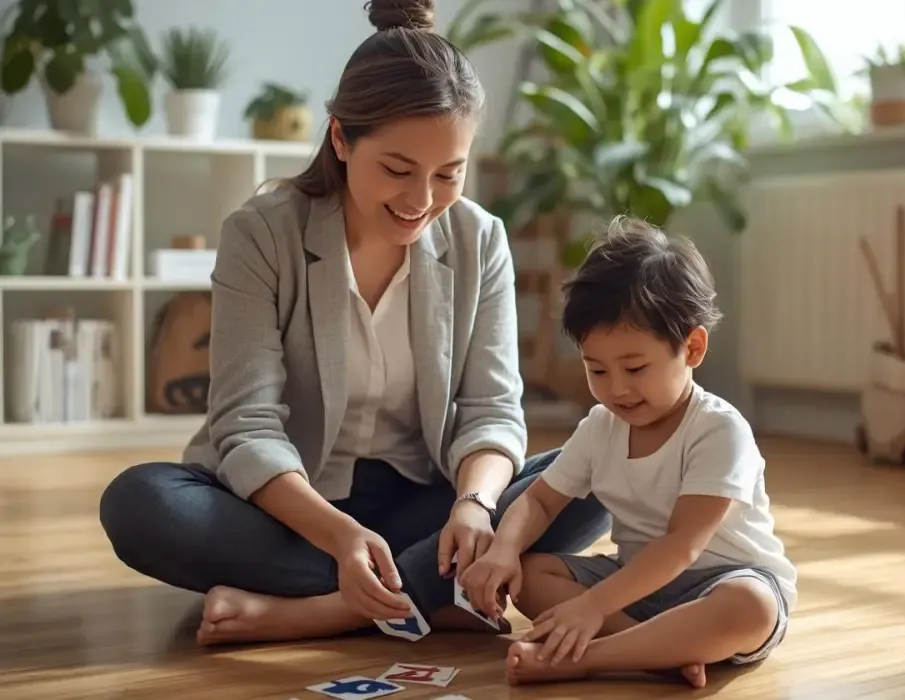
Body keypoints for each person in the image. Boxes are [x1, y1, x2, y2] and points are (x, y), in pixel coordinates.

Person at [98, 0, 610, 646]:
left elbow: (490, 410)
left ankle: (316, 610)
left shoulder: (481, 240)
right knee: (139, 504)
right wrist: (340, 537)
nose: (421, 201)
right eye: (397, 170)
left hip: (428, 500)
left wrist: (475, 506)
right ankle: (430, 587)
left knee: (604, 465)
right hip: (289, 510)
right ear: (341, 138)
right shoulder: (261, 234)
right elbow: (245, 425)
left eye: (449, 174)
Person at [459, 216, 797, 688]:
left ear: (693, 347)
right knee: (533, 574)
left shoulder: (720, 430)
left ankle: (588, 657)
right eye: (596, 370)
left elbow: (683, 546)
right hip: (635, 587)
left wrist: (592, 606)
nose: (616, 389)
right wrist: (504, 550)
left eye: (635, 368)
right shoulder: (601, 425)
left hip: (723, 581)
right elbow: (539, 500)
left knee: (752, 608)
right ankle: (657, 650)